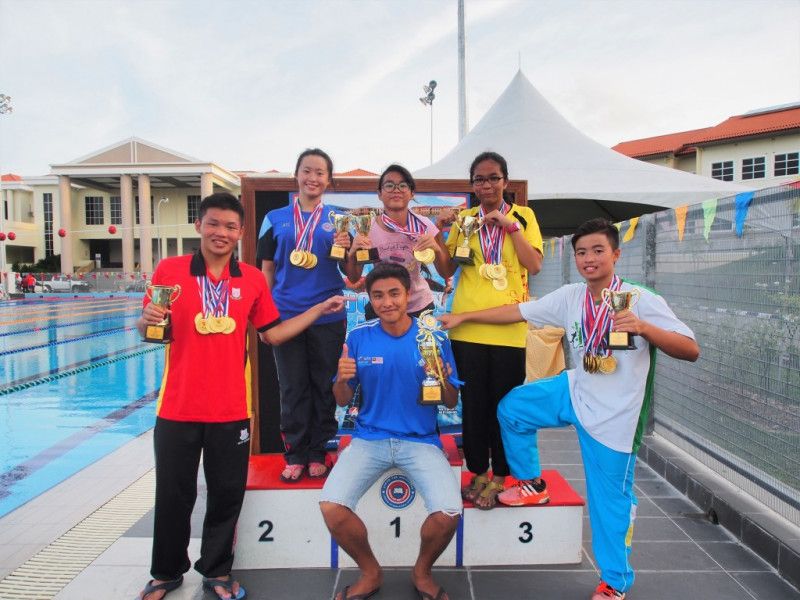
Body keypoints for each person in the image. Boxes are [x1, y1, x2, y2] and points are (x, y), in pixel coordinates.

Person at [439, 218, 700, 600]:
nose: (589, 259)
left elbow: (690, 349)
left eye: (598, 251)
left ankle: (614, 581)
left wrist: (644, 328)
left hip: (616, 419)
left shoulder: (640, 298)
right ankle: (532, 483)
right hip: (576, 389)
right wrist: (463, 316)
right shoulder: (572, 296)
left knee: (609, 506)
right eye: (581, 252)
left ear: (616, 254)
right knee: (512, 408)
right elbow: (518, 311)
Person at [136, 192, 345, 600]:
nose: (221, 233)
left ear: (241, 233)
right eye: (214, 223)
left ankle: (216, 571)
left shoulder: (249, 279)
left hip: (231, 410)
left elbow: (273, 334)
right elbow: (151, 331)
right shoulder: (171, 270)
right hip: (177, 407)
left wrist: (318, 310)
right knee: (174, 493)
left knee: (227, 493)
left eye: (231, 227)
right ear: (199, 226)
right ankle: (165, 572)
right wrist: (144, 322)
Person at [320, 262, 462, 600]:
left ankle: (422, 572)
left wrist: (442, 377)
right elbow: (342, 397)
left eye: (394, 294)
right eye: (378, 295)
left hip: (421, 441)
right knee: (331, 507)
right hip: (370, 439)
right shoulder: (358, 337)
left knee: (448, 514)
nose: (387, 302)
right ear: (370, 298)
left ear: (408, 294)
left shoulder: (433, 337)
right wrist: (340, 378)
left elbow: (451, 399)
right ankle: (370, 572)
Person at [435, 151, 543, 509]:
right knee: (475, 406)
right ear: (472, 186)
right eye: (479, 179)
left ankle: (501, 475)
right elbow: (448, 269)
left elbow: (534, 265)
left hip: (509, 326)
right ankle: (479, 471)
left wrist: (508, 228)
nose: (487, 185)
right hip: (466, 327)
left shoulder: (523, 217)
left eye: (493, 177)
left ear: (505, 182)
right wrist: (440, 233)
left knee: (505, 407)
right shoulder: (465, 219)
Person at [256, 148, 359, 482]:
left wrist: (348, 246)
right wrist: (265, 314)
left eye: (320, 172)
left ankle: (319, 450)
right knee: (292, 386)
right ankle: (296, 453)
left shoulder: (340, 220)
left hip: (328, 314)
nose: (313, 178)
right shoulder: (274, 219)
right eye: (307, 171)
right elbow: (267, 269)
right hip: (285, 315)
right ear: (296, 175)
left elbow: (351, 272)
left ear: (329, 180)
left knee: (323, 385)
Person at [347, 164, 451, 319]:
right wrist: (352, 253)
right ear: (379, 194)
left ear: (411, 193)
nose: (396, 189)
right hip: (383, 307)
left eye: (403, 185)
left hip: (419, 305)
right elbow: (354, 278)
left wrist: (436, 248)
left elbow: (446, 272)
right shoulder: (368, 228)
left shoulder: (424, 225)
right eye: (389, 185)